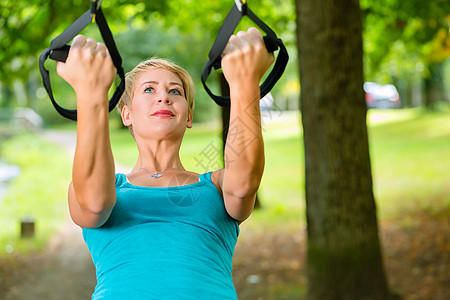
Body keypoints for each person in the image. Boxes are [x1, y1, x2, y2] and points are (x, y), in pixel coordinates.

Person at [56, 27, 274, 299]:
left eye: (176, 91)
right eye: (149, 89)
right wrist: (91, 95)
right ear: (127, 115)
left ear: (189, 116)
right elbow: (94, 203)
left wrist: (245, 82)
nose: (164, 97)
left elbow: (243, 185)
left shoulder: (217, 185)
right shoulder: (104, 186)